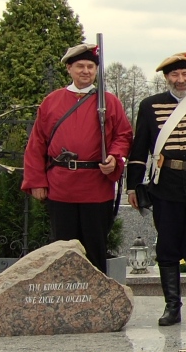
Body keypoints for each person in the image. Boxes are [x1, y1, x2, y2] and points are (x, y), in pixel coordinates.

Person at [23, 42, 133, 275]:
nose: (85, 71)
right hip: (61, 185)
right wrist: (37, 182)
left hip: (96, 185)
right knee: (63, 249)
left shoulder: (109, 102)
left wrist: (114, 157)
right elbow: (37, 143)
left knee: (95, 247)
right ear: (69, 69)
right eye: (80, 66)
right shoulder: (52, 101)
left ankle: (95, 302)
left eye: (90, 67)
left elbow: (123, 135)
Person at [126, 51, 186, 326]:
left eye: (185, 74)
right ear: (166, 78)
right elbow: (139, 147)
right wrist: (132, 185)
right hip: (164, 185)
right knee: (167, 246)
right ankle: (171, 307)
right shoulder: (150, 105)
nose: (181, 80)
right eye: (175, 75)